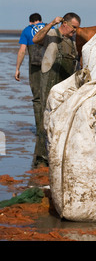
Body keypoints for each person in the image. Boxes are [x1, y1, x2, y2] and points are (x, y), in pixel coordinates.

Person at [33, 12, 81, 166]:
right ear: (64, 23)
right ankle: (41, 159)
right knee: (45, 119)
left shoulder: (72, 41)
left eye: (76, 29)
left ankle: (57, 154)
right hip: (49, 81)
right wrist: (52, 23)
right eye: (73, 27)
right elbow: (36, 39)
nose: (74, 31)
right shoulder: (52, 34)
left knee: (62, 119)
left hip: (65, 83)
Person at [15, 13, 47, 167]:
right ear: (41, 20)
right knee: (50, 97)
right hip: (50, 66)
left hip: (34, 67)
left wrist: (17, 68)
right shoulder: (49, 27)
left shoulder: (27, 30)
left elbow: (22, 51)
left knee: (37, 98)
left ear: (30, 21)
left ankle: (40, 128)